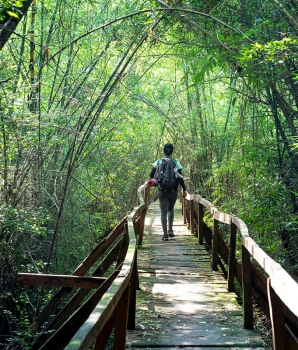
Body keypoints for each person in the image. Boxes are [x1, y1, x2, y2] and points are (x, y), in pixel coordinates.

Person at [150, 143, 187, 241]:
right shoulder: (176, 162)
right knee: (171, 209)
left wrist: (154, 181)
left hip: (162, 190)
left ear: (164, 151)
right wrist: (184, 189)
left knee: (163, 212)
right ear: (172, 151)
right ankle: (171, 230)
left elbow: (151, 175)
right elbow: (180, 178)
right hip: (173, 190)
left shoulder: (158, 162)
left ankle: (165, 235)